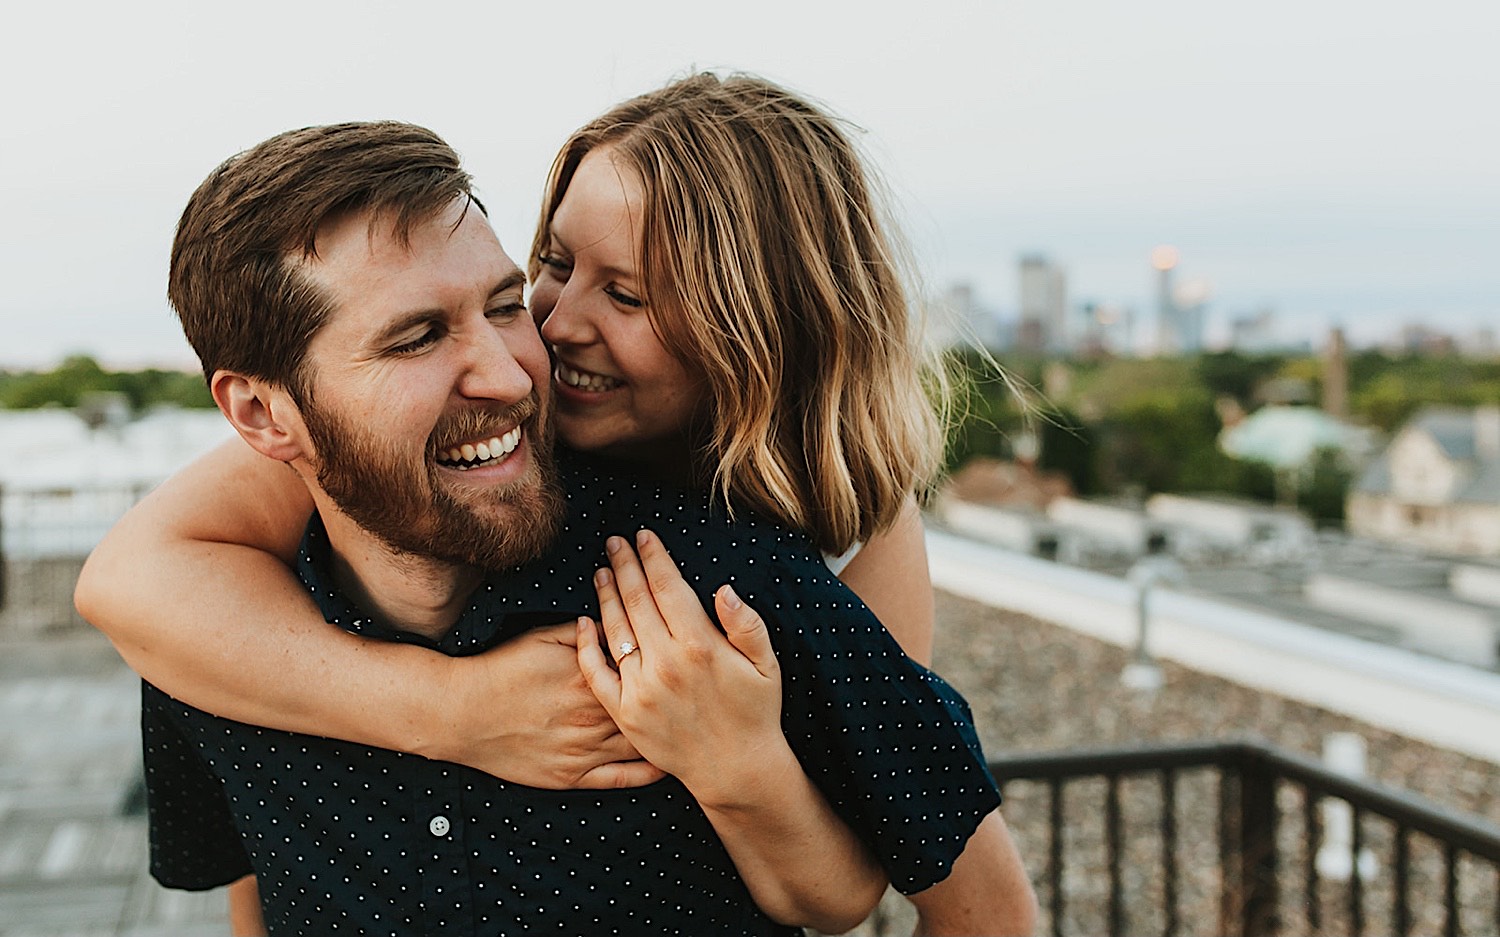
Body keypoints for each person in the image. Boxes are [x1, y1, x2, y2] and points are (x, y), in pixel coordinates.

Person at [80, 76, 1036, 934]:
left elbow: (858, 883)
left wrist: (740, 762)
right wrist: (456, 709)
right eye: (551, 262)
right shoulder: (330, 470)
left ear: (752, 338)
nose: (548, 328)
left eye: (625, 293)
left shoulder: (808, 552)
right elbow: (132, 579)